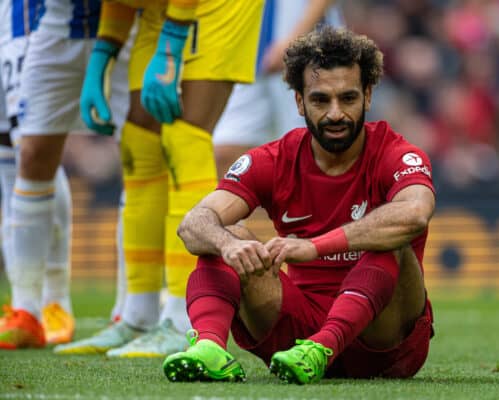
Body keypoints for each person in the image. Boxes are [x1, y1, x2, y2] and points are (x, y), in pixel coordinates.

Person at [162, 26, 436, 385]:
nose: (335, 113)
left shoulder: (396, 153)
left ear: (368, 96)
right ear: (299, 101)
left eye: (348, 98)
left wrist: (314, 246)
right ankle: (210, 348)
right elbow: (194, 223)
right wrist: (229, 246)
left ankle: (325, 346)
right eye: (321, 100)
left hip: (383, 340)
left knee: (391, 240)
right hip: (296, 340)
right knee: (223, 235)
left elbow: (415, 214)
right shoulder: (274, 159)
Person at [55, 0, 264, 357]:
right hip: (159, 9)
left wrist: (170, 46)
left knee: (185, 137)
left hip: (217, 7)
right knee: (140, 144)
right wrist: (104, 53)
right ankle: (137, 315)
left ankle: (185, 316)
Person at [0, 0, 130, 350]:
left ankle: (123, 308)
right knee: (21, 154)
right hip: (24, 24)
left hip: (117, 22)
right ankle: (27, 308)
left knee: (139, 156)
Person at [213, 0, 343, 178]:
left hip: (309, 50)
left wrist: (296, 40)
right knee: (227, 153)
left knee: (310, 156)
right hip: (246, 42)